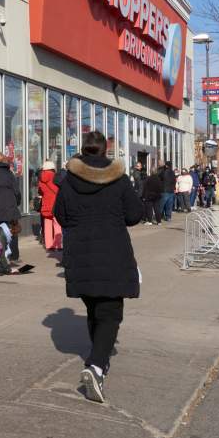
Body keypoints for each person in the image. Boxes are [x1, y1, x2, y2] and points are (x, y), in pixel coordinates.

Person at [54, 131, 144, 404]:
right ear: (105, 150)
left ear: (84, 149)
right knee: (111, 312)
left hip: (80, 252)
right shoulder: (119, 179)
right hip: (112, 252)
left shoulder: (69, 180)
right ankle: (95, 366)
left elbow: (61, 214)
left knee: (94, 306)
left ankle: (98, 357)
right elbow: (134, 215)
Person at [37, 161, 62, 253]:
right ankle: (58, 245)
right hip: (55, 202)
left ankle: (49, 245)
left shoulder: (41, 177)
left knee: (47, 223)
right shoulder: (55, 176)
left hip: (46, 202)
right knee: (57, 223)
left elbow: (40, 191)